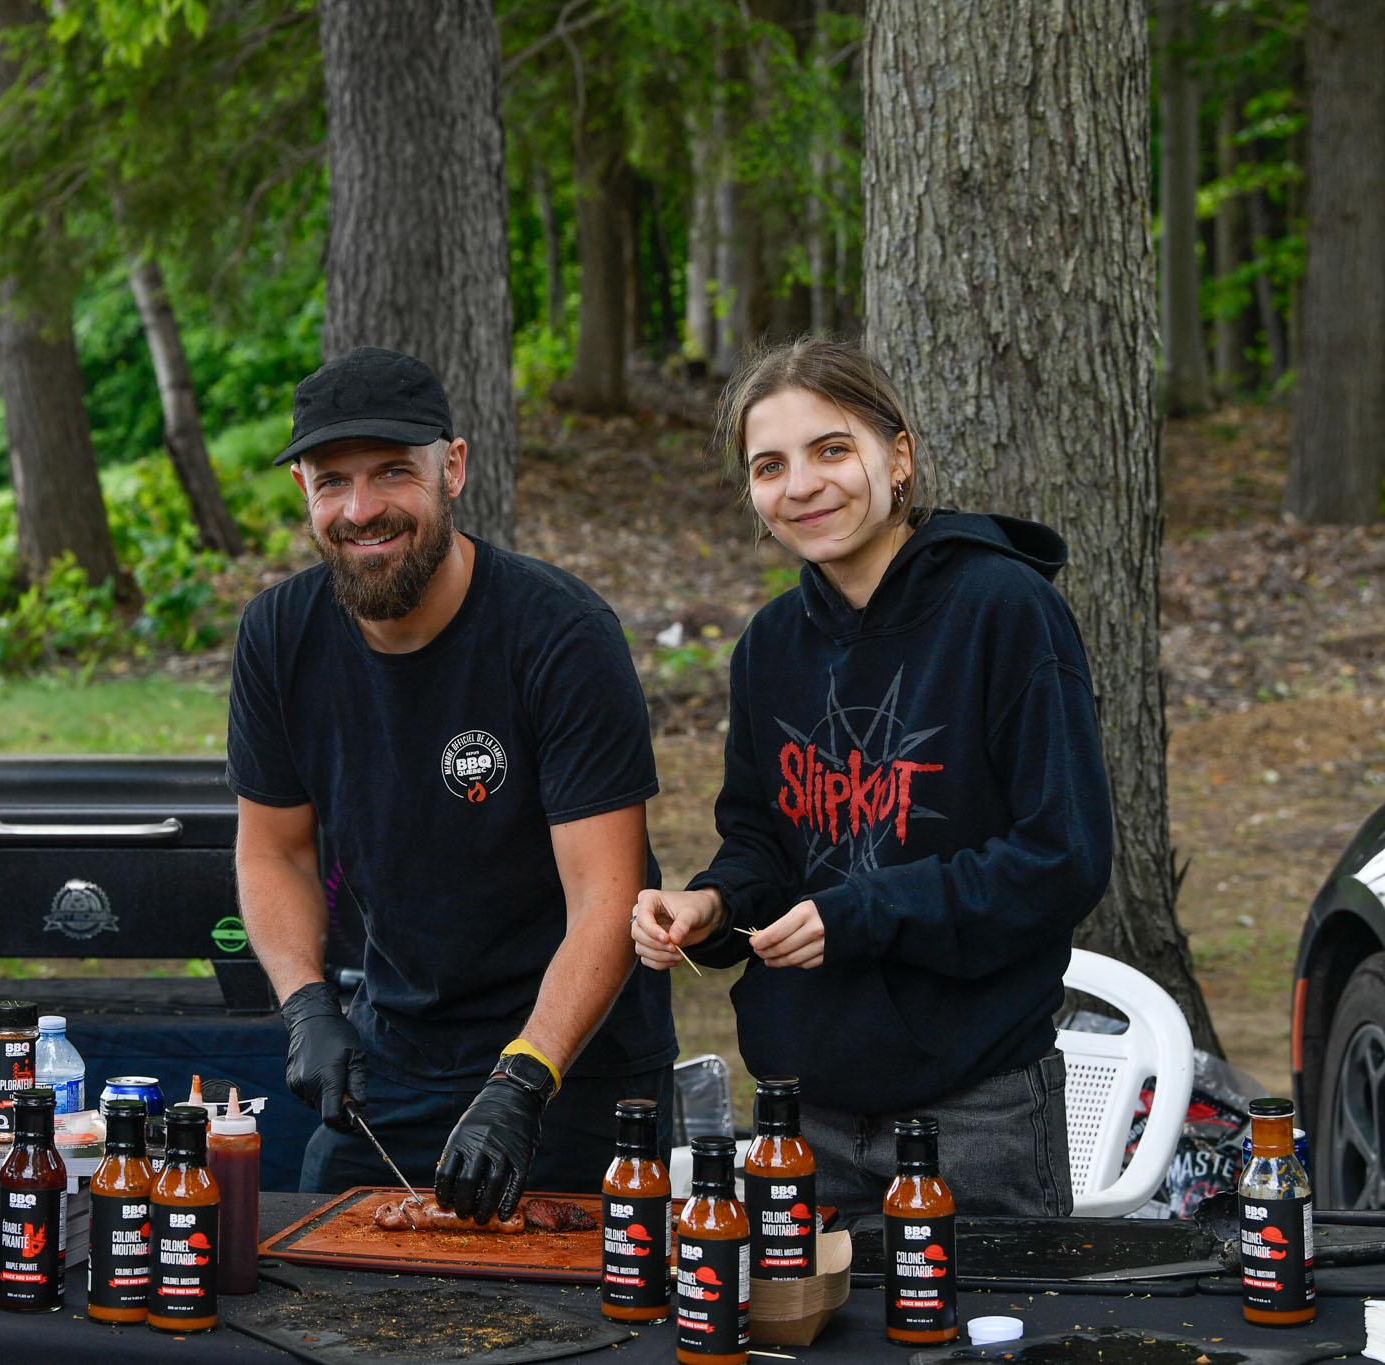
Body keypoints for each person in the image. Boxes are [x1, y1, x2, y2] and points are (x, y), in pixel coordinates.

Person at [632, 337, 1112, 1221]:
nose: (802, 485)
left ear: (898, 457)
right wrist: (713, 907)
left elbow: (1062, 857)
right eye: (770, 465)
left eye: (831, 449)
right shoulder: (769, 646)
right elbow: (764, 846)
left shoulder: (1005, 611)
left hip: (975, 1116)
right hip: (802, 1118)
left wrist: (863, 913)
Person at [229, 345, 676, 1222]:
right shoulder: (278, 636)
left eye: (393, 472)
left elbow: (608, 895)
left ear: (454, 468)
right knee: (320, 1275)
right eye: (333, 481)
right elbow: (273, 852)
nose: (361, 509)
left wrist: (524, 1078)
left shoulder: (560, 633)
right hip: (395, 1055)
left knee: (575, 1299)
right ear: (303, 490)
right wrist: (308, 1004)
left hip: (572, 1063)